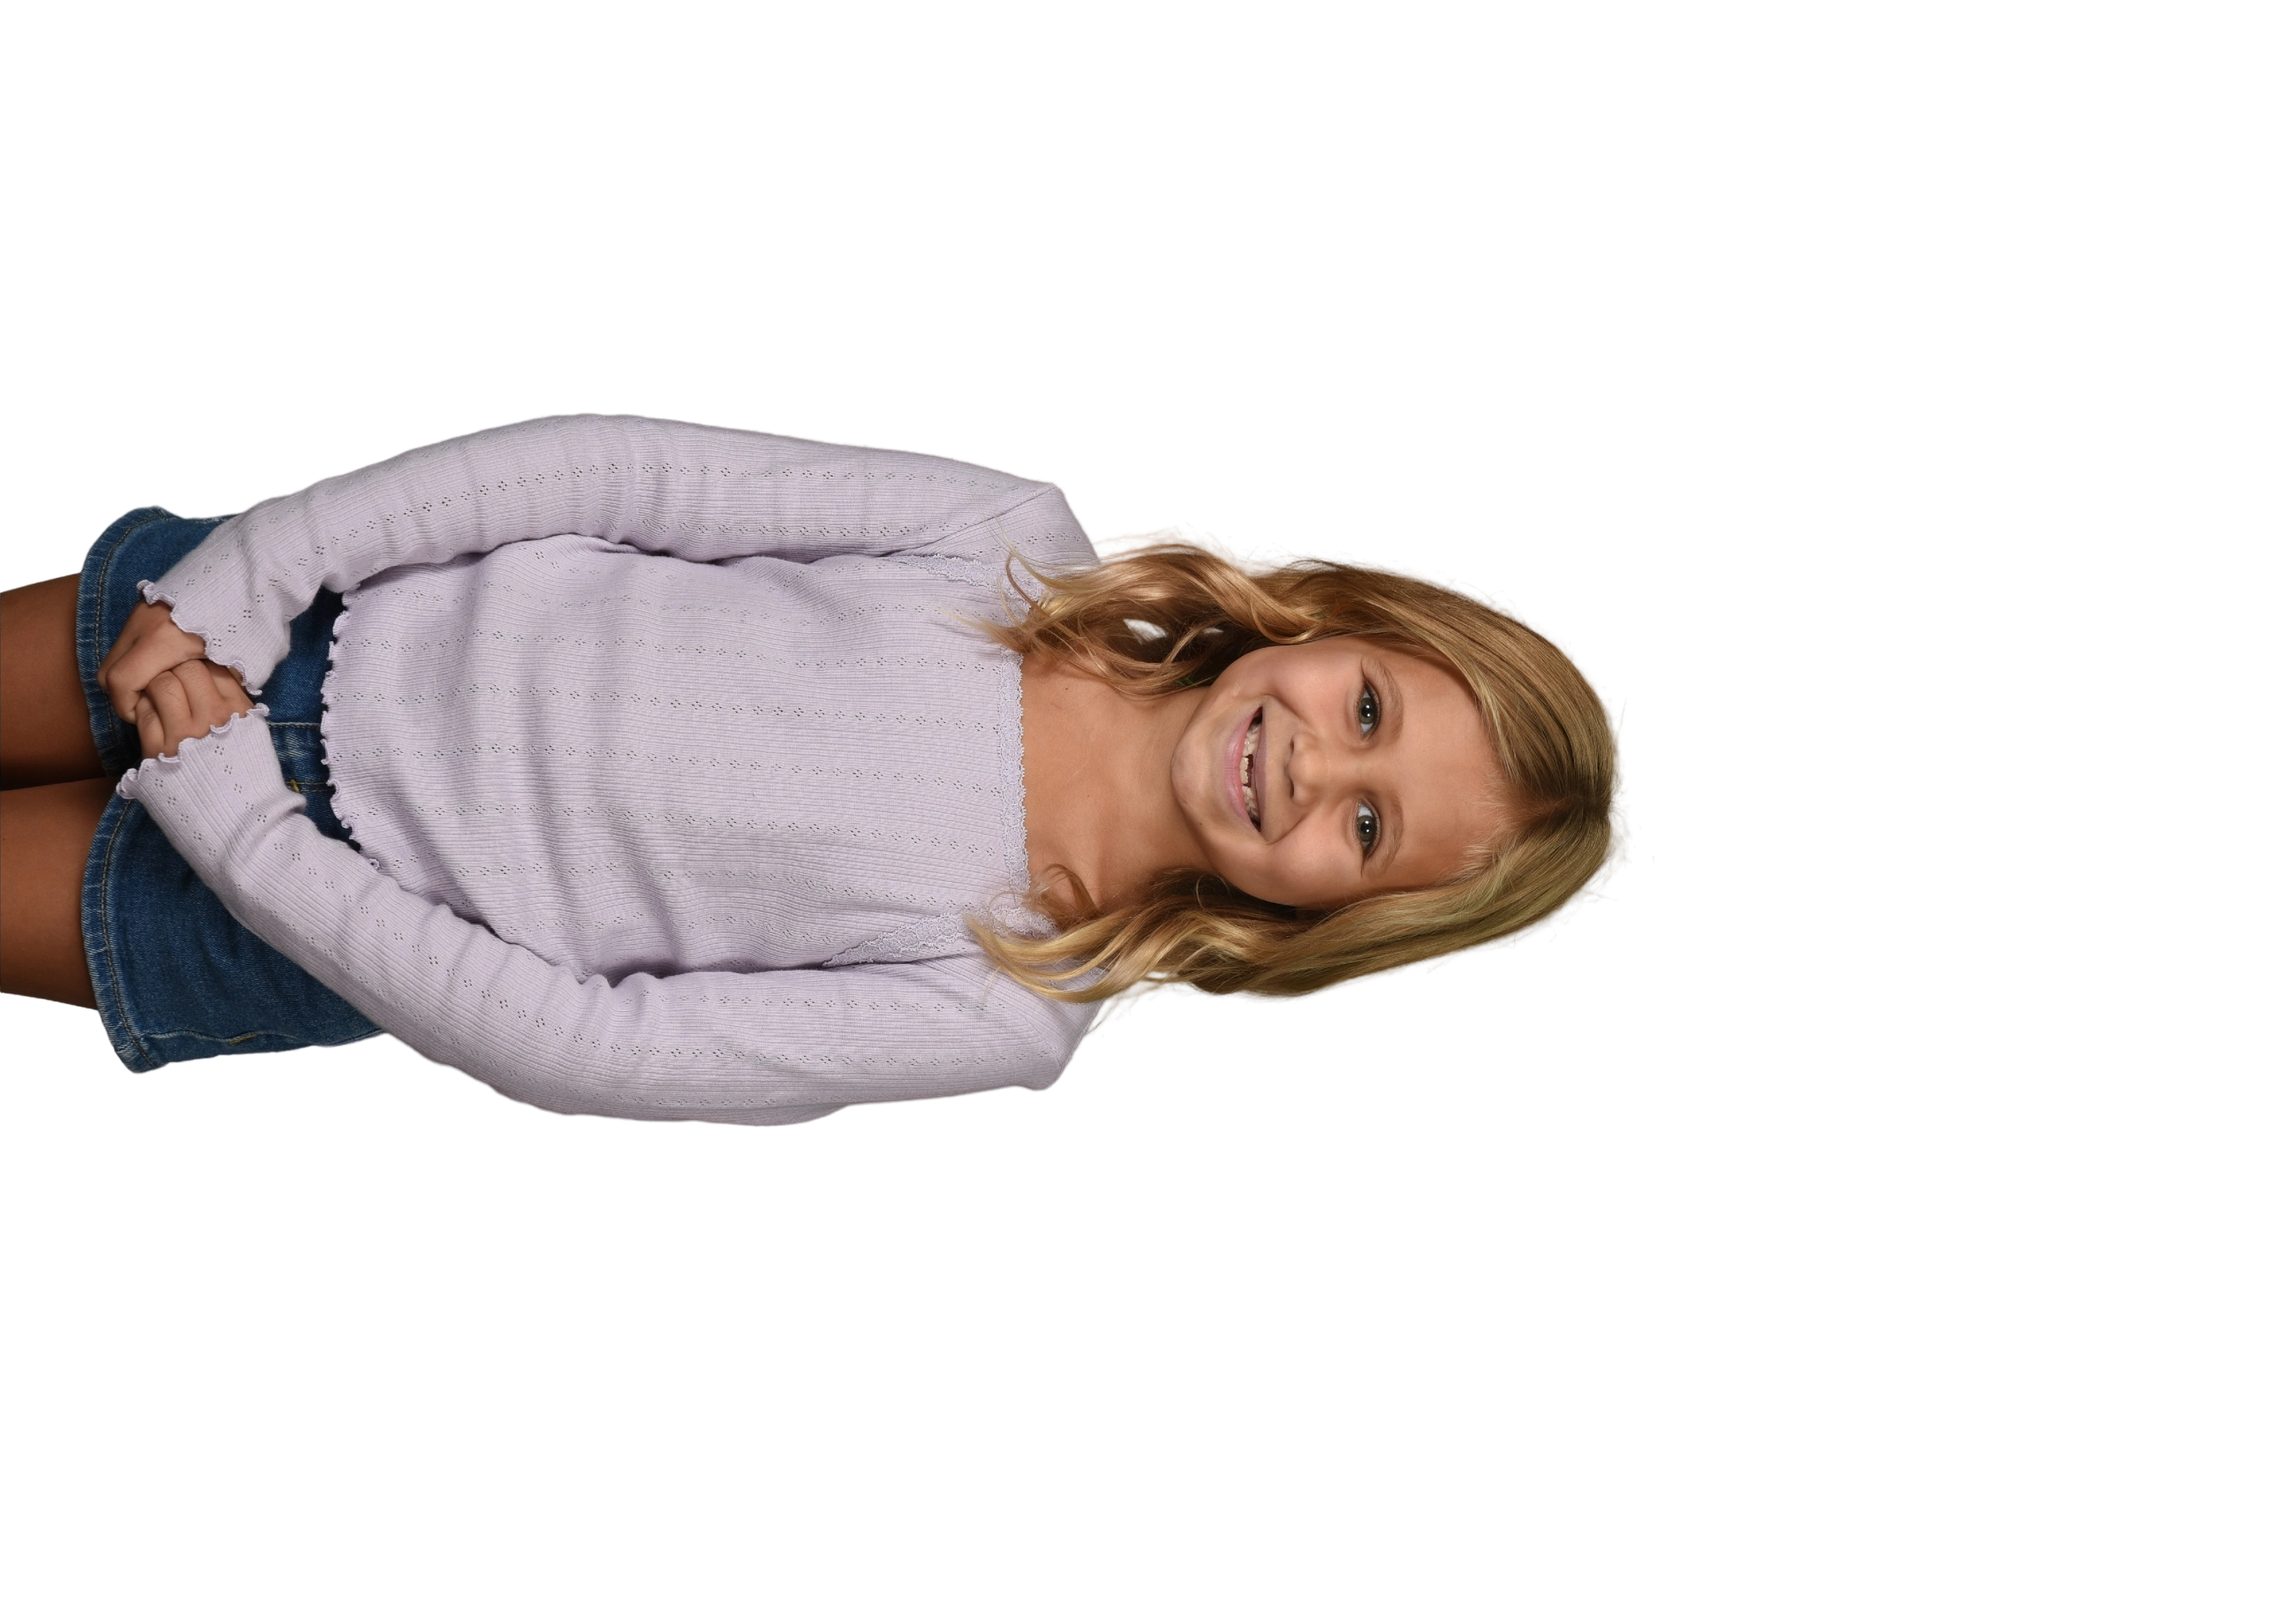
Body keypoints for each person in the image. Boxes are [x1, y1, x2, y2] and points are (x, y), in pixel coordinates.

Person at [0, 411, 1637, 1126]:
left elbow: (602, 1055)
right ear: (1340, 623)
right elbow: (615, 475)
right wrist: (252, 577)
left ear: (1341, 917)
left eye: (1371, 827)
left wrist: (251, 839)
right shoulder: (1010, 547)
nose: (1317, 771)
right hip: (293, 615)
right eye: (1370, 708)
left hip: (308, 913)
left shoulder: (1020, 1000)